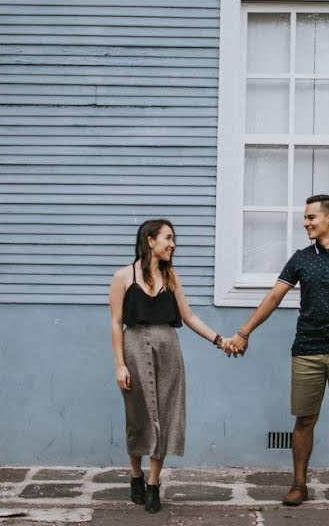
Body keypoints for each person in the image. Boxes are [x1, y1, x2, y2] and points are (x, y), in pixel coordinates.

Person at [224, 195, 329, 506]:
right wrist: (244, 331)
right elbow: (273, 297)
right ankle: (298, 485)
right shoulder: (301, 259)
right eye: (305, 218)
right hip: (306, 350)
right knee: (304, 420)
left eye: (311, 218)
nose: (305, 223)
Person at [109, 219, 228, 513]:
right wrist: (120, 365)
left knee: (165, 415)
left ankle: (153, 485)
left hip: (168, 349)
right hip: (134, 348)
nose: (173, 244)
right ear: (150, 240)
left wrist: (219, 339)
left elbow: (188, 317)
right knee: (138, 417)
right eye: (168, 238)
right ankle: (136, 475)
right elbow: (115, 323)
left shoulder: (172, 277)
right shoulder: (123, 277)